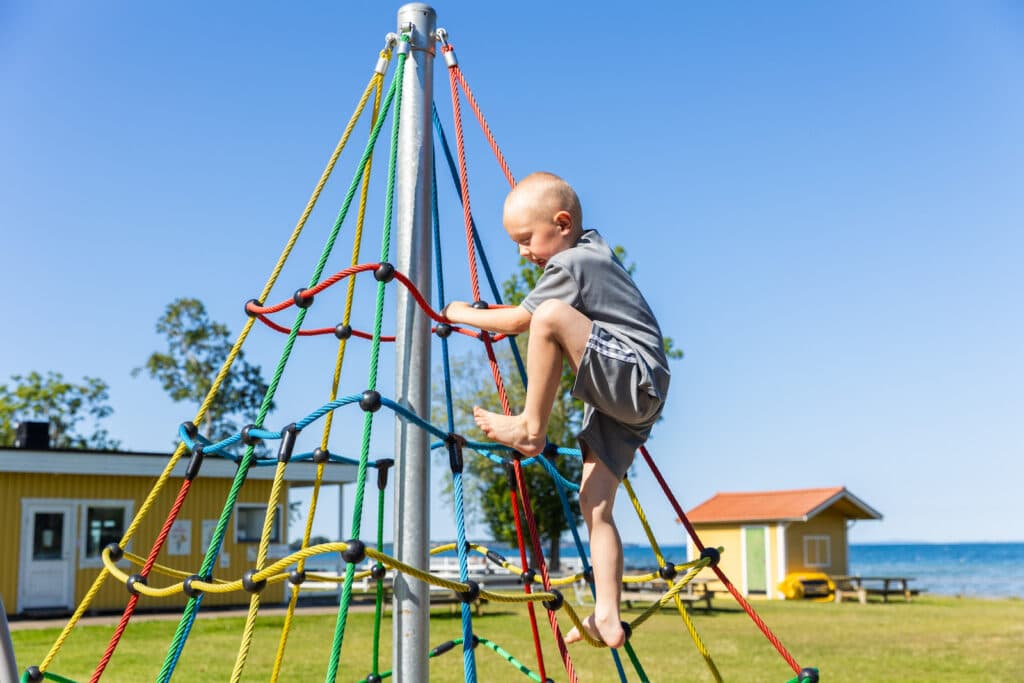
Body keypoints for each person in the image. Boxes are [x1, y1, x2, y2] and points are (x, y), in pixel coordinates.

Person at [442, 171, 670, 648]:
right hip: (626, 401)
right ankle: (607, 613)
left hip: (633, 378)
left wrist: (459, 312)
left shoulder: (574, 260)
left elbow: (519, 321)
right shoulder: (587, 253)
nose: (524, 252)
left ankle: (530, 428)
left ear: (562, 224)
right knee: (595, 505)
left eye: (527, 239)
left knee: (546, 316)